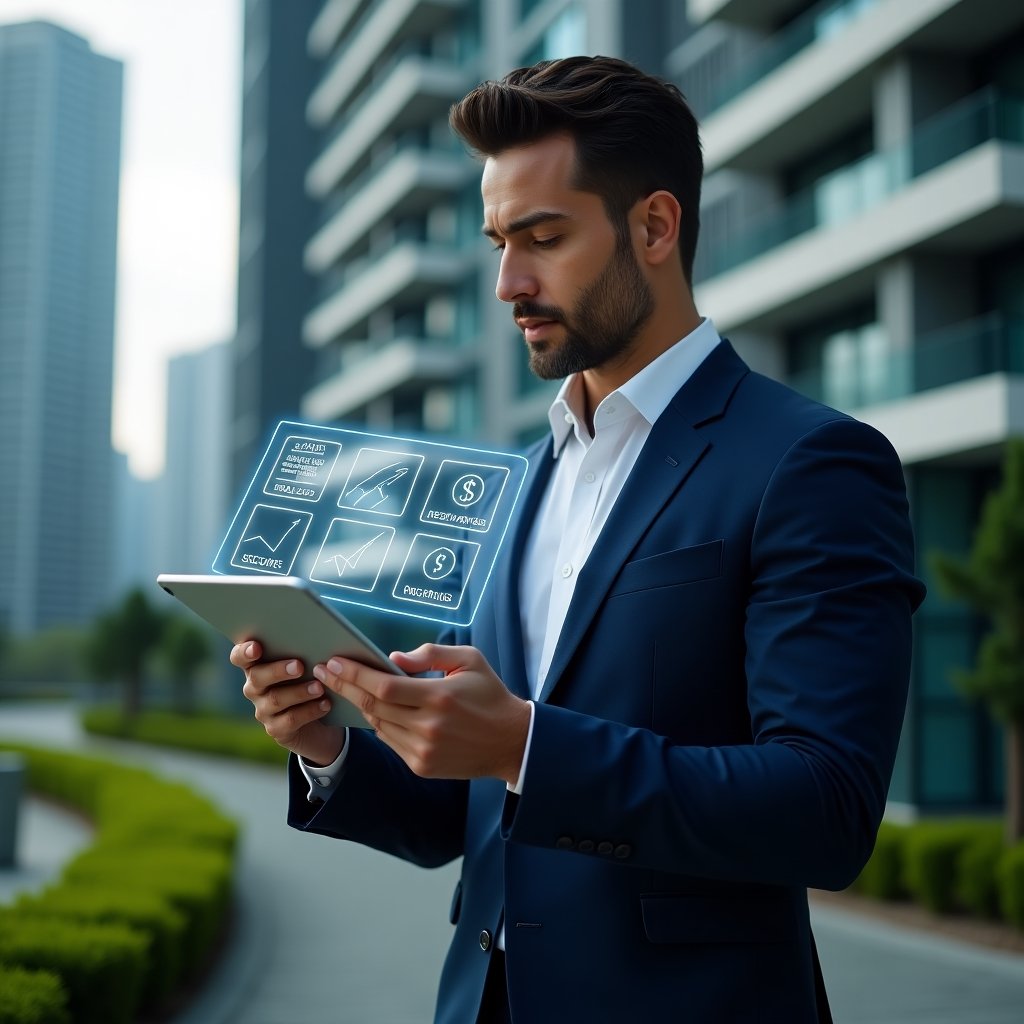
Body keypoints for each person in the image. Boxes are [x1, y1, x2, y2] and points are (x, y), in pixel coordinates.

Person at [233, 56, 925, 1023]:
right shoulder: (526, 478)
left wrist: (524, 742)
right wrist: (331, 745)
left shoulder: (813, 463)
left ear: (653, 226)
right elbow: (474, 816)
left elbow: (827, 810)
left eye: (543, 237)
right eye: (496, 243)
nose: (509, 282)